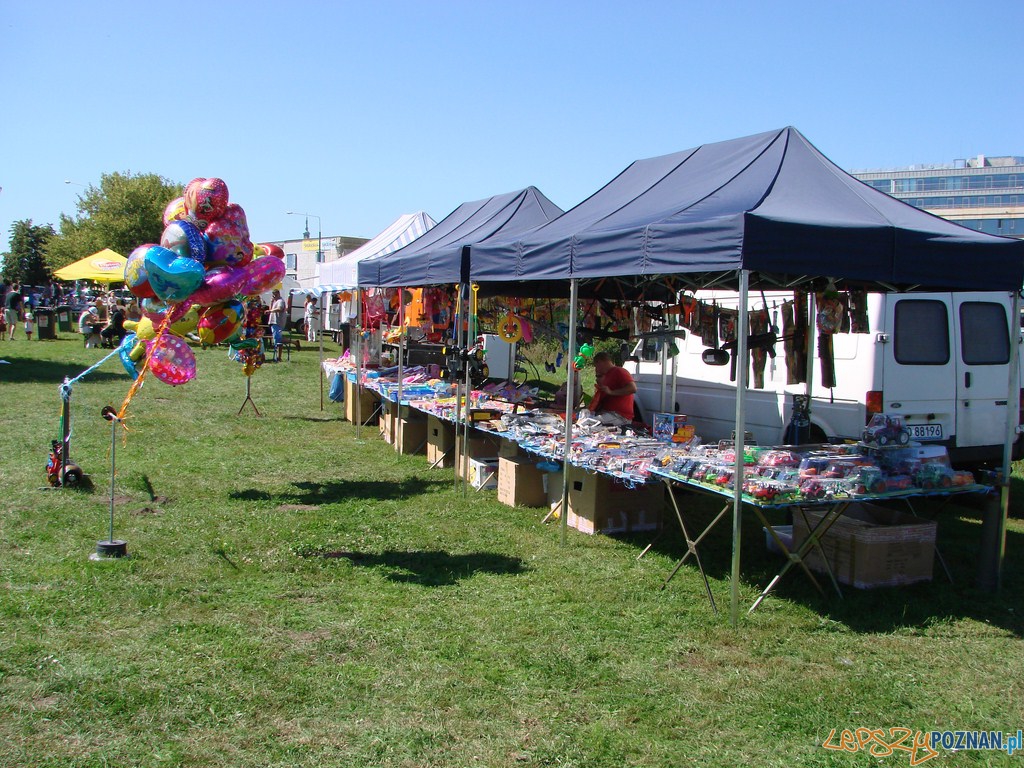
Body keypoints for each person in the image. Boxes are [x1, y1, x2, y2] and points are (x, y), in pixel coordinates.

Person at [588, 351, 637, 422]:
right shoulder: (607, 375)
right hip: (607, 412)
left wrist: (611, 392)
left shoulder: (619, 371)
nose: (596, 369)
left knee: (589, 423)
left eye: (596, 366)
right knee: (584, 420)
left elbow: (633, 388)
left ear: (601, 362)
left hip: (620, 415)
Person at [267, 289, 286, 362]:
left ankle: (279, 357)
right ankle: (276, 357)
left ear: (278, 294)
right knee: (276, 340)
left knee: (278, 341)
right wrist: (271, 302)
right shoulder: (275, 301)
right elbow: (271, 310)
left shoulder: (280, 301)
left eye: (274, 295)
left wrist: (271, 311)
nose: (273, 296)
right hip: (273, 322)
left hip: (277, 322)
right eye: (273, 295)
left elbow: (280, 309)